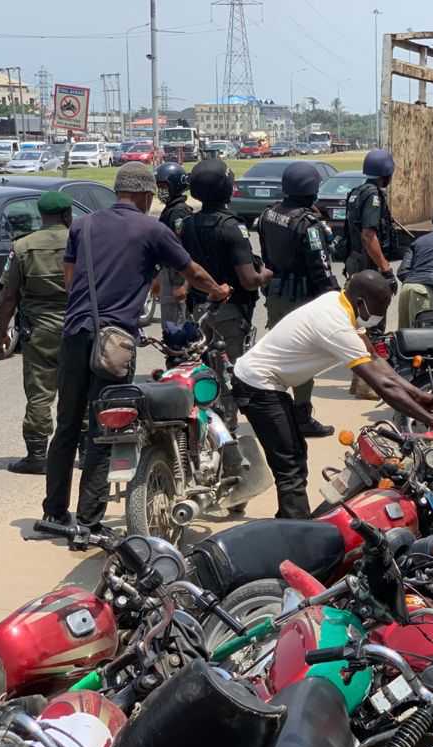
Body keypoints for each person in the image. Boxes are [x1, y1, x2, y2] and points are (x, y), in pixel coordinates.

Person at [41, 162, 232, 528]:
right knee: (104, 428)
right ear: (146, 195)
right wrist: (218, 289)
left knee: (67, 424)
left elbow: (70, 282)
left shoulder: (82, 225)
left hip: (75, 333)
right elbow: (192, 272)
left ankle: (53, 512)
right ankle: (89, 519)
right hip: (114, 343)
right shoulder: (151, 228)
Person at [232, 271, 433, 519]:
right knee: (291, 465)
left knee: (294, 453)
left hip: (270, 383)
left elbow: (375, 358)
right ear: (361, 302)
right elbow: (383, 386)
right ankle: (296, 534)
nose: (382, 315)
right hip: (258, 384)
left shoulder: (339, 301)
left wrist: (416, 393)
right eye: (380, 306)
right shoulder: (335, 324)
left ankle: (274, 511)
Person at [259, 161, 340, 438]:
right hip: (302, 300)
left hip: (277, 295)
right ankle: (302, 417)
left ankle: (277, 414)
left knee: (278, 356)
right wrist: (336, 299)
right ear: (312, 189)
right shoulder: (309, 225)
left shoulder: (268, 214)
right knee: (304, 360)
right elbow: (321, 268)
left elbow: (266, 256)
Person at [0, 190, 73, 475]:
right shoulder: (80, 241)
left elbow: (8, 297)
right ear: (67, 215)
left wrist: (3, 332)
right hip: (78, 325)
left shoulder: (23, 246)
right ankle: (88, 450)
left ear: (42, 216)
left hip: (40, 329)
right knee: (81, 388)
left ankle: (38, 455)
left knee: (40, 391)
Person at [180, 158, 272, 364]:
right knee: (233, 374)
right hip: (229, 311)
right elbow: (248, 280)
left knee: (205, 370)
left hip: (199, 308)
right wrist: (266, 275)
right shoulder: (232, 226)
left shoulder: (188, 224)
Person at [344, 148, 398, 293]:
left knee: (358, 310)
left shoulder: (358, 191)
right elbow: (368, 235)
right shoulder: (373, 195)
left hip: (356, 260)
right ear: (385, 174)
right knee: (373, 311)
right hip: (368, 264)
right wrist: (386, 269)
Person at [154, 162, 192, 329]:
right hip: (167, 276)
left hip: (176, 278)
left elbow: (183, 250)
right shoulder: (170, 210)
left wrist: (183, 284)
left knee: (176, 329)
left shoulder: (179, 213)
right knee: (170, 327)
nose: (160, 191)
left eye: (163, 186)